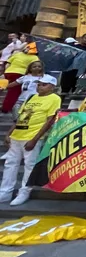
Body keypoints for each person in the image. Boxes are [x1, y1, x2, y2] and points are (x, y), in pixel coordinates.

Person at [0, 74, 60, 205]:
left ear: (52, 87)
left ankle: (24, 191)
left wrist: (35, 139)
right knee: (10, 164)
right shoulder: (31, 97)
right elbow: (22, 117)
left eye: (44, 84)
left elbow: (50, 120)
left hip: (32, 136)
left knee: (29, 165)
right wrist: (9, 133)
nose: (40, 86)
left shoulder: (54, 98)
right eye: (39, 84)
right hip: (18, 135)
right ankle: (5, 192)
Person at [2, 42, 40, 113]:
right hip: (20, 74)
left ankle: (6, 106)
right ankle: (6, 108)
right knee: (13, 92)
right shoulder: (35, 58)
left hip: (9, 73)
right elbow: (35, 67)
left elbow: (8, 63)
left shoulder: (17, 54)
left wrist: (5, 72)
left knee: (3, 88)